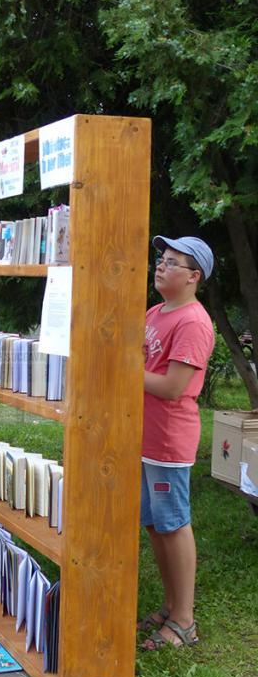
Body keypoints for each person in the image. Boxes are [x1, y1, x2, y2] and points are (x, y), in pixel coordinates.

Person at [138, 235, 215, 650]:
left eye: (171, 262)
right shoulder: (156, 312)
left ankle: (185, 620)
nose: (161, 267)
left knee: (173, 523)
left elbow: (172, 387)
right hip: (146, 438)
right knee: (155, 523)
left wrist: (121, 371)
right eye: (160, 260)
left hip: (169, 440)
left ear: (193, 276)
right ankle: (170, 606)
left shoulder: (193, 322)